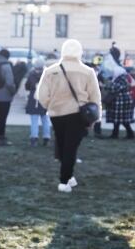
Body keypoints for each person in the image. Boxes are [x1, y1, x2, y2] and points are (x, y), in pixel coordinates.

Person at [37, 39, 101, 193]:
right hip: (78, 114)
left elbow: (41, 95)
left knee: (63, 144)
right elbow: (95, 97)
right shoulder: (87, 71)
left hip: (56, 113)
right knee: (70, 148)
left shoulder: (51, 70)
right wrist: (96, 117)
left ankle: (69, 177)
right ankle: (64, 181)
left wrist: (50, 105)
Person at [0, 47, 16, 145]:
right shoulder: (6, 66)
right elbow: (9, 83)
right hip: (5, 96)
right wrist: (13, 92)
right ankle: (1, 137)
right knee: (3, 117)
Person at [25, 58, 51, 146]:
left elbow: (27, 86)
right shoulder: (47, 74)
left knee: (34, 120)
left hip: (34, 98)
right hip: (44, 98)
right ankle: (46, 137)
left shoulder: (31, 74)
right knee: (45, 119)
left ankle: (34, 138)